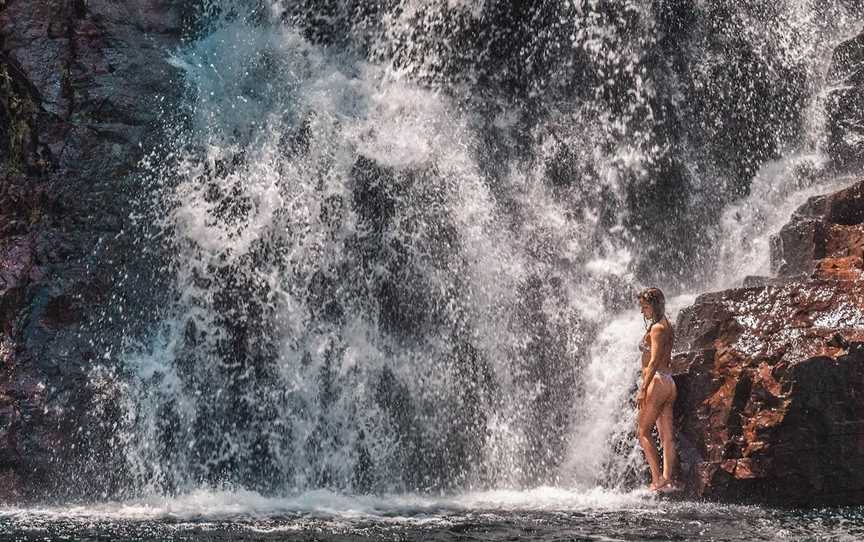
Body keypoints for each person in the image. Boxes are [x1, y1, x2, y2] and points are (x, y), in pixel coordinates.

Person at [636, 287, 679, 492]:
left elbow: (653, 362)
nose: (642, 311)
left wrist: (643, 388)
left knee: (642, 431)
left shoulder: (656, 329)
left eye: (645, 307)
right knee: (667, 435)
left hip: (657, 383)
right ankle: (667, 479)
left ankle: (655, 480)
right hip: (669, 382)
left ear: (654, 306)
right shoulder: (667, 325)